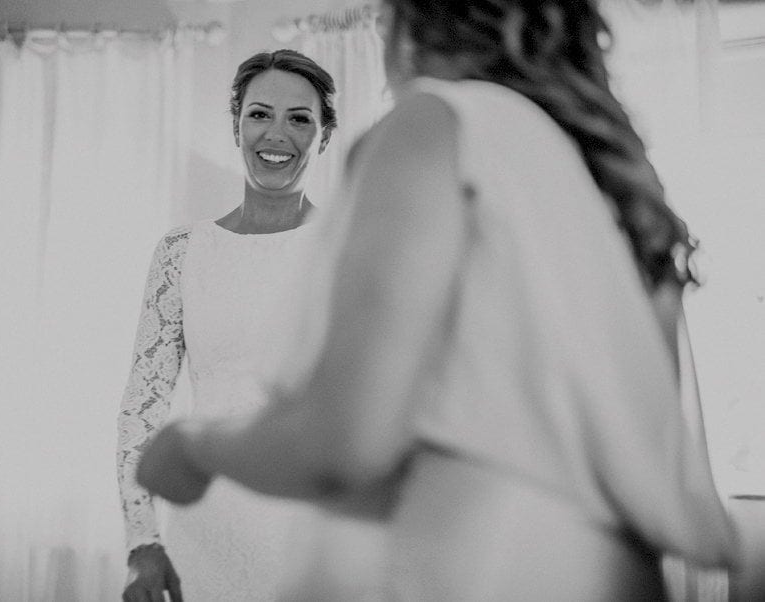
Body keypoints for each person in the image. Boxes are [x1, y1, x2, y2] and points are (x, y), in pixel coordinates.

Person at [137, 1, 742, 600]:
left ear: (407, 24)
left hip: (473, 566)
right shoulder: (615, 176)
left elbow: (345, 445)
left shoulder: (435, 124)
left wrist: (194, 446)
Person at [117, 49, 338, 602]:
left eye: (300, 118)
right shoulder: (180, 252)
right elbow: (142, 406)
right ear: (236, 124)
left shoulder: (348, 245)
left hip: (314, 530)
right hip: (205, 530)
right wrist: (143, 541)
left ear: (325, 135)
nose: (277, 134)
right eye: (260, 114)